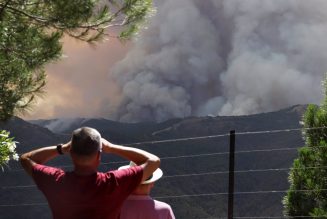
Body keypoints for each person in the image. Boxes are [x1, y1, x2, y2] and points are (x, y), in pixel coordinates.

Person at [20, 127, 160, 219]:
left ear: (71, 154)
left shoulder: (55, 181)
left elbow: (26, 159)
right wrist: (111, 148)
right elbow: (153, 161)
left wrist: (61, 148)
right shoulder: (114, 183)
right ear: (99, 156)